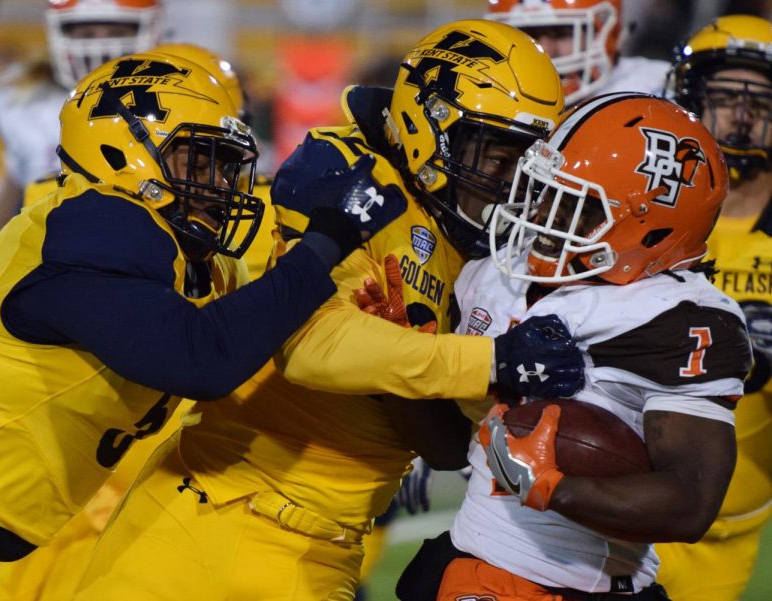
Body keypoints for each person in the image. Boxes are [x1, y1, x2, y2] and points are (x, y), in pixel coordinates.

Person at [72, 19, 579, 601]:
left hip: (326, 549)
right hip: (208, 514)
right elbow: (310, 348)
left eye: (522, 162)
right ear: (428, 125)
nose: (507, 180)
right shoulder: (347, 176)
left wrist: (406, 363)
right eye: (493, 153)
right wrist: (490, 359)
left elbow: (443, 442)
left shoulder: (480, 253)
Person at [0, 49, 407, 600]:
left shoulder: (178, 254)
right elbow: (198, 358)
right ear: (121, 151)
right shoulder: (95, 221)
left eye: (225, 165)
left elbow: (256, 309)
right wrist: (326, 242)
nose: (220, 183)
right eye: (198, 162)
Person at [395, 93, 753, 601]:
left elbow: (691, 500)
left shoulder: (679, 319)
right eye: (544, 193)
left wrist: (552, 486)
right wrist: (398, 363)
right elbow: (450, 447)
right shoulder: (494, 274)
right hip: (476, 567)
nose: (543, 216)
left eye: (575, 206)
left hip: (585, 586)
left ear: (650, 225)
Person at [655, 15, 772, 601]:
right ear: (690, 103)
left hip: (727, 537)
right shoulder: (647, 199)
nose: (741, 116)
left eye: (758, 102)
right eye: (722, 98)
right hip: (618, 502)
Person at [0, 0, 164, 282]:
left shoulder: (176, 98)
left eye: (117, 30)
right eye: (86, 34)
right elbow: (6, 211)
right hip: (50, 267)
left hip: (151, 266)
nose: (100, 47)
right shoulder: (27, 97)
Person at [485, 0, 669, 103]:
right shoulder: (488, 96)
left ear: (605, 32)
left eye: (561, 33)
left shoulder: (656, 88)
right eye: (528, 34)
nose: (544, 50)